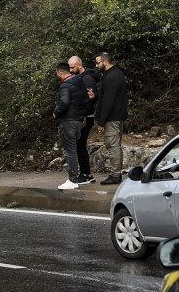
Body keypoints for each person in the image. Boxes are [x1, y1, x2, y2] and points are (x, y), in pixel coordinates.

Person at [94, 52, 128, 185]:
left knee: (113, 145)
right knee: (114, 145)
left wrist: (102, 122)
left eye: (98, 62)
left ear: (105, 62)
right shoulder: (115, 74)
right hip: (116, 117)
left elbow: (108, 101)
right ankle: (116, 174)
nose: (96, 65)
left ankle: (115, 175)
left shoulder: (112, 76)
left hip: (112, 118)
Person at [53, 61, 88, 190]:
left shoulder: (65, 86)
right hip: (79, 121)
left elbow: (64, 102)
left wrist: (56, 112)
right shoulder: (80, 83)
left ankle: (72, 180)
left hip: (68, 121)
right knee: (74, 150)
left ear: (59, 72)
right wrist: (82, 117)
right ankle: (75, 177)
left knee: (70, 151)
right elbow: (85, 101)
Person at [68, 55, 97, 184]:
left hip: (86, 117)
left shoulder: (87, 79)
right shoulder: (78, 78)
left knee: (80, 145)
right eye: (69, 67)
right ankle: (85, 173)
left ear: (79, 65)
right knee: (79, 145)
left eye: (72, 67)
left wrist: (84, 115)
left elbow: (90, 99)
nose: (70, 70)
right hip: (81, 116)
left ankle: (86, 174)